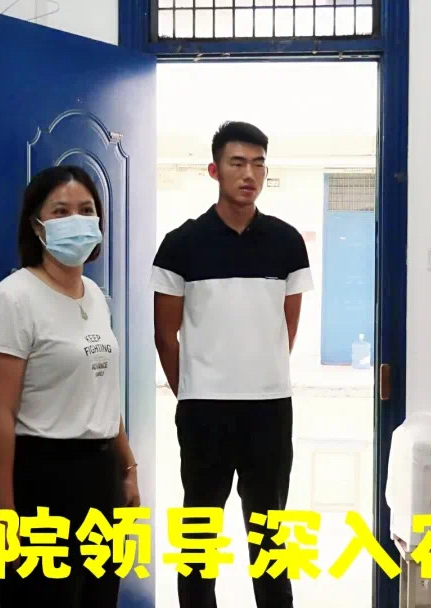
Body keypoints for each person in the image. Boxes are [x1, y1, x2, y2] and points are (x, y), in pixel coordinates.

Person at [151, 121, 312, 608]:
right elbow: (165, 336)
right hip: (204, 412)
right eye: (237, 163)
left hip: (269, 409)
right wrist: (194, 392)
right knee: (199, 536)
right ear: (214, 170)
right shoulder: (181, 244)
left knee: (270, 537)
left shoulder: (287, 242)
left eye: (258, 164)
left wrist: (259, 373)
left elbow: (286, 326)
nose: (249, 174)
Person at [0, 164, 140, 607]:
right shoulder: (12, 299)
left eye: (86, 210)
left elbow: (102, 390)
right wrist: (3, 513)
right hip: (43, 478)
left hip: (100, 475)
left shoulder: (94, 296)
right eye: (61, 211)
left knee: (100, 598)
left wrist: (127, 467)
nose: (76, 220)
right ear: (37, 225)